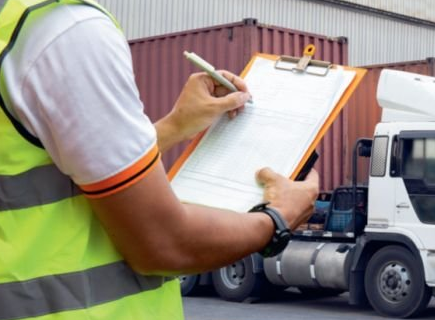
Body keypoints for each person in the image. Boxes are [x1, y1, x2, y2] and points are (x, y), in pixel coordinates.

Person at [0, 1, 318, 319]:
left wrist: (175, 125)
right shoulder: (67, 30)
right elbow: (165, 243)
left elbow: (66, 169)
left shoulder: (17, 28)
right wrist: (278, 219)